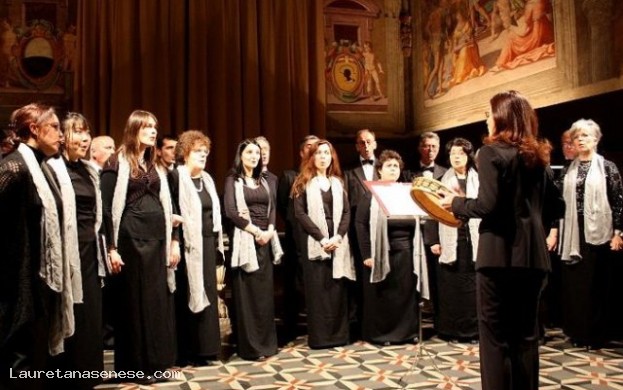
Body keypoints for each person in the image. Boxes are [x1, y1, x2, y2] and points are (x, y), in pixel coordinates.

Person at [440, 90, 565, 390]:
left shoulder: (489, 153)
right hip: (534, 260)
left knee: (494, 339)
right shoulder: (539, 157)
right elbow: (557, 207)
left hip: (498, 258)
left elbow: (486, 206)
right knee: (525, 337)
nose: (486, 119)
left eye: (488, 114)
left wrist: (455, 203)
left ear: (502, 118)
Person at [101, 110, 179, 382]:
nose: (153, 131)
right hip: (130, 240)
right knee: (134, 303)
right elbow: (107, 209)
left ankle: (155, 364)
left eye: (155, 127)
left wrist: (173, 241)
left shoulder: (156, 164)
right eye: (147, 127)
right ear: (134, 129)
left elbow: (170, 205)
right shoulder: (117, 161)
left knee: (156, 303)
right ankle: (134, 366)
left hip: (157, 239)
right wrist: (111, 247)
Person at [0, 103, 67, 390]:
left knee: (34, 358)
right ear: (34, 129)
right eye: (54, 127)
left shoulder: (40, 167)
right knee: (18, 360)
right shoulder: (14, 167)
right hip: (15, 284)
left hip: (36, 282)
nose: (61, 135)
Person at [47, 112, 104, 389]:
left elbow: (97, 215)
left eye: (87, 132)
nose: (84, 138)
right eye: (78, 132)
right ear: (63, 137)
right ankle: (67, 375)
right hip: (65, 250)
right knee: (69, 310)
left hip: (89, 248)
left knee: (89, 313)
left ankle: (88, 372)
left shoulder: (90, 170)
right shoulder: (53, 168)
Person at [555, 119, 623, 349]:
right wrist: (554, 232)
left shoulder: (607, 167)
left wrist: (618, 233)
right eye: (577, 136)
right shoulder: (568, 169)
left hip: (599, 234)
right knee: (576, 287)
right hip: (572, 234)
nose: (580, 139)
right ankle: (578, 332)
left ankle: (597, 334)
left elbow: (618, 201)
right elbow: (558, 204)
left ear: (596, 139)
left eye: (585, 135)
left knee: (597, 285)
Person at [291, 139, 355, 349]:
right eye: (318, 153)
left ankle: (338, 336)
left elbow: (346, 212)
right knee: (319, 294)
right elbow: (300, 214)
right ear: (312, 157)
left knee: (336, 293)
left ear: (332, 157)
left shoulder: (338, 182)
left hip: (337, 243)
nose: (323, 157)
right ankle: (320, 338)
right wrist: (322, 238)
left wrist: (338, 237)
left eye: (327, 153)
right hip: (316, 242)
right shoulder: (302, 182)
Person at [223, 138, 282, 361]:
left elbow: (272, 208)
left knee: (264, 296)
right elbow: (231, 211)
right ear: (241, 155)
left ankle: (267, 345)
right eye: (249, 152)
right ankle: (250, 347)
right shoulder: (233, 179)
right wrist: (256, 231)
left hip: (265, 241)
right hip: (246, 240)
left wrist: (269, 230)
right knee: (247, 296)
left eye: (257, 153)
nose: (254, 156)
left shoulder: (264, 181)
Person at [169, 130, 224, 366]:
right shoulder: (175, 177)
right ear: (185, 153)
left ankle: (207, 350)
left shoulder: (208, 180)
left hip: (207, 244)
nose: (203, 156)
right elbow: (172, 213)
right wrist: (175, 242)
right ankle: (188, 351)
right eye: (198, 151)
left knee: (208, 293)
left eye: (205, 152)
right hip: (187, 245)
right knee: (187, 292)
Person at [355, 149, 419, 345]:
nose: (394, 169)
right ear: (379, 170)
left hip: (406, 250)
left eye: (396, 166)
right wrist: (367, 254)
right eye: (389, 166)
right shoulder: (370, 196)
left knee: (405, 294)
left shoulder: (407, 193)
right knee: (384, 294)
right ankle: (383, 335)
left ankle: (406, 333)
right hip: (380, 251)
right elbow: (361, 224)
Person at [436, 137, 479, 343]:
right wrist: (434, 240)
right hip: (452, 237)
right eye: (453, 154)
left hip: (475, 238)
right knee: (453, 286)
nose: (456, 157)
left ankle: (474, 331)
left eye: (460, 154)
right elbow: (432, 210)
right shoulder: (442, 179)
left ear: (468, 156)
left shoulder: (479, 177)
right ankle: (452, 330)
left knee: (473, 286)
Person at [276, 134, 319, 343]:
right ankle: (291, 327)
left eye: (316, 147)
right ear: (301, 151)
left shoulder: (322, 177)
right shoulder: (289, 176)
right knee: (294, 284)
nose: (313, 151)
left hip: (319, 239)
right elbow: (283, 207)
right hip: (296, 240)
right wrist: (296, 225)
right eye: (309, 147)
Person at [405, 131, 447, 326]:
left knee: (437, 274)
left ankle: (439, 316)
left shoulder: (446, 173)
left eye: (434, 147)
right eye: (427, 146)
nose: (430, 150)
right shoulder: (407, 172)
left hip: (437, 230)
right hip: (413, 230)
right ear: (419, 148)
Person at [344, 128, 378, 340]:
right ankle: (362, 322)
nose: (366, 146)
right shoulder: (349, 172)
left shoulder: (385, 167)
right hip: (359, 231)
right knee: (360, 278)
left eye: (369, 142)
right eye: (361, 142)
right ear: (357, 146)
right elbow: (347, 204)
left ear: (375, 144)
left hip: (383, 230)